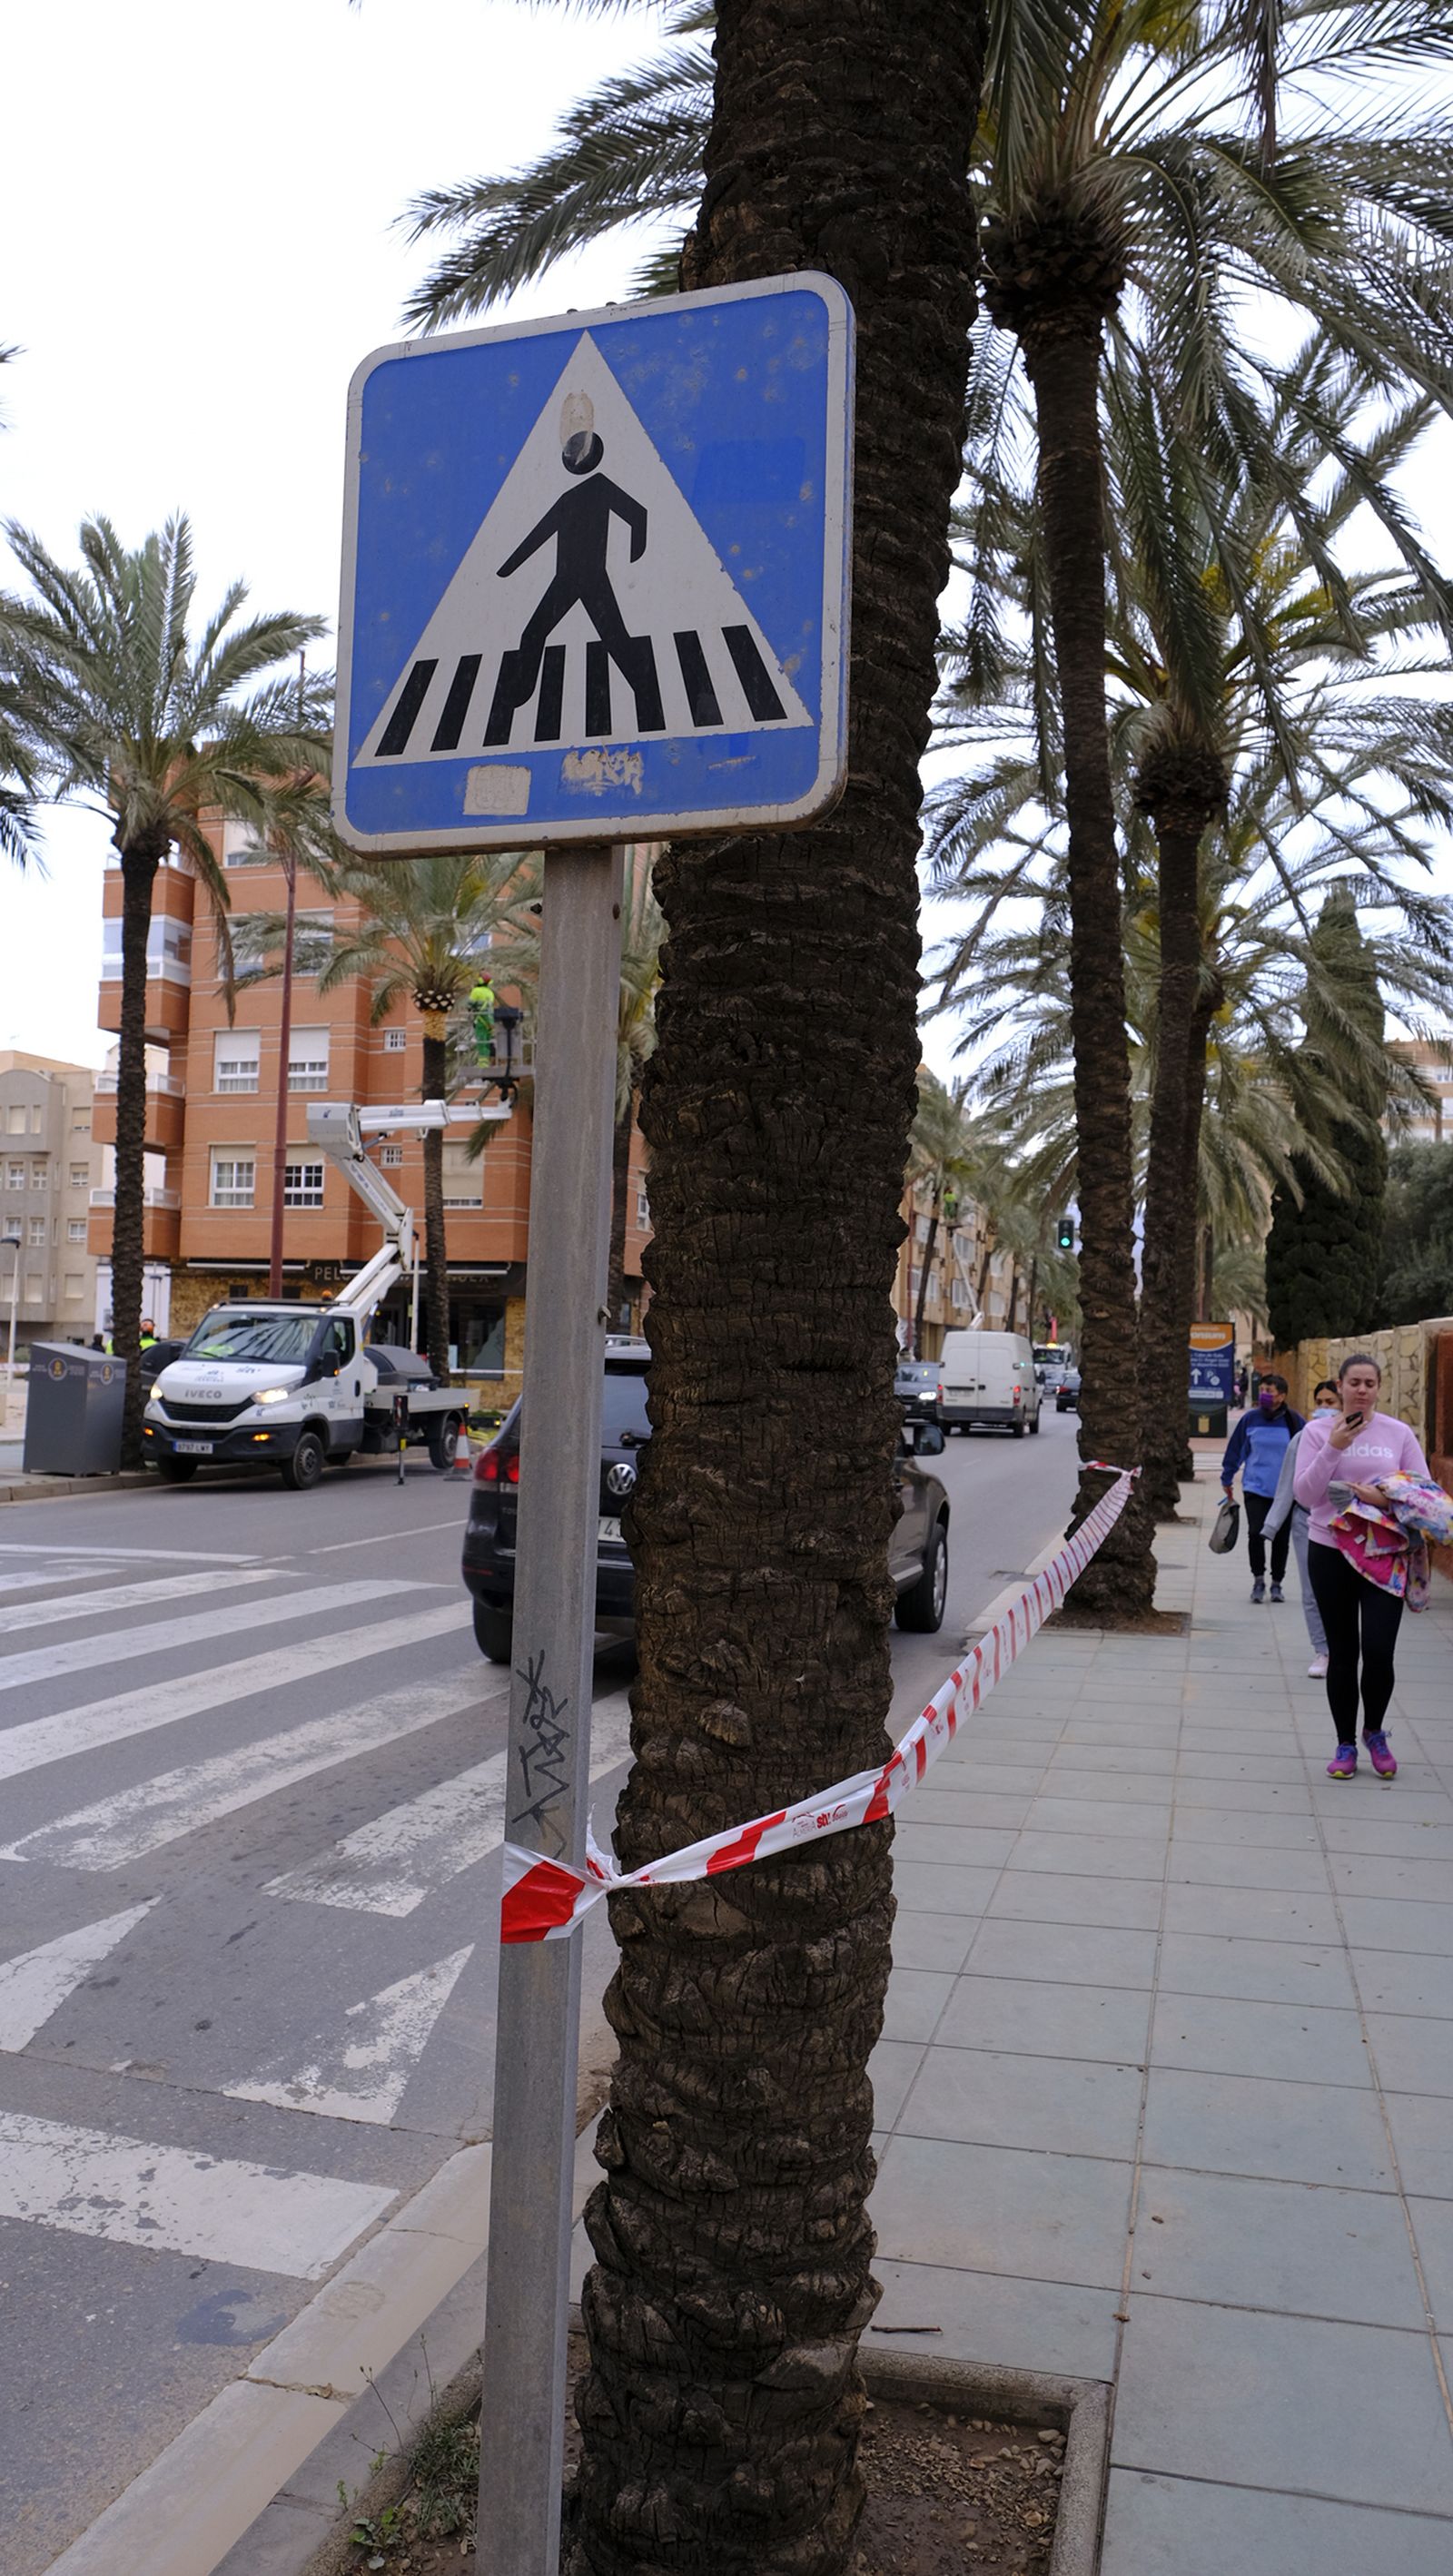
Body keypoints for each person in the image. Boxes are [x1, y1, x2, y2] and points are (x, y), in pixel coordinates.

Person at [1294, 1353, 1430, 1781]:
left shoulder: (1398, 1433)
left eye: (1370, 1383)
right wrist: (1334, 1447)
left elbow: (1423, 1492)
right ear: (1340, 1386)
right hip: (1330, 1550)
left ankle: (1374, 1731)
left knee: (1377, 1650)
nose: (1362, 1390)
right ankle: (1345, 1743)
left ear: (1378, 1388)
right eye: (1354, 1382)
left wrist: (1380, 1498)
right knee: (1342, 1652)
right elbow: (1306, 1494)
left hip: (1383, 1555)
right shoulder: (1317, 1432)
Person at [1263, 1380, 1341, 1676]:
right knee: (1312, 1589)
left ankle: (1345, 1648)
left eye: (1330, 1402)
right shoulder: (1304, 1438)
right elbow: (1288, 1484)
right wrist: (1271, 1526)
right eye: (1319, 1401)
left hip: (1349, 1524)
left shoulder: (1361, 1439)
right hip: (1307, 1521)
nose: (1324, 1408)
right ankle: (1322, 1651)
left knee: (1346, 1591)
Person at [1220, 1373, 1306, 1604]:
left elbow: (1308, 1453)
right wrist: (1227, 1477)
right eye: (1263, 1390)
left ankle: (1277, 1583)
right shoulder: (1250, 1420)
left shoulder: (1295, 1422)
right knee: (1256, 1533)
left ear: (1282, 1396)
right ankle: (1258, 1580)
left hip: (1286, 1492)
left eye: (1270, 1391)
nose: (1265, 1395)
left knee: (1280, 1538)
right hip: (1255, 1487)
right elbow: (1236, 1449)